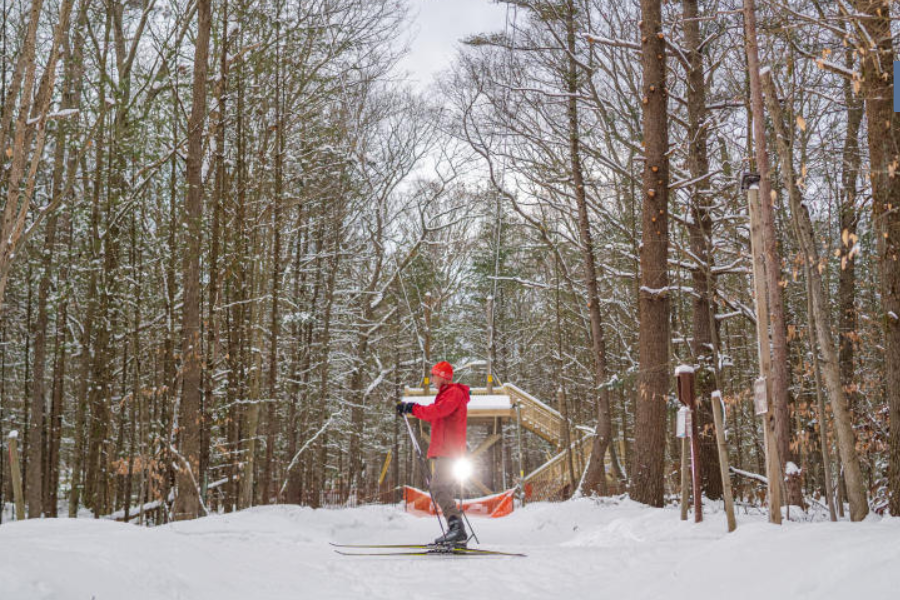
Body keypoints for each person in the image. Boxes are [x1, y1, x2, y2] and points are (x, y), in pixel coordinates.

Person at [396, 361, 471, 546]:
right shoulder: (447, 394)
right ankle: (456, 531)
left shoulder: (453, 393)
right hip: (446, 450)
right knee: (443, 489)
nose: (432, 379)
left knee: (437, 488)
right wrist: (411, 408)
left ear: (443, 376)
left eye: (434, 375)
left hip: (449, 451)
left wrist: (413, 408)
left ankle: (457, 529)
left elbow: (437, 412)